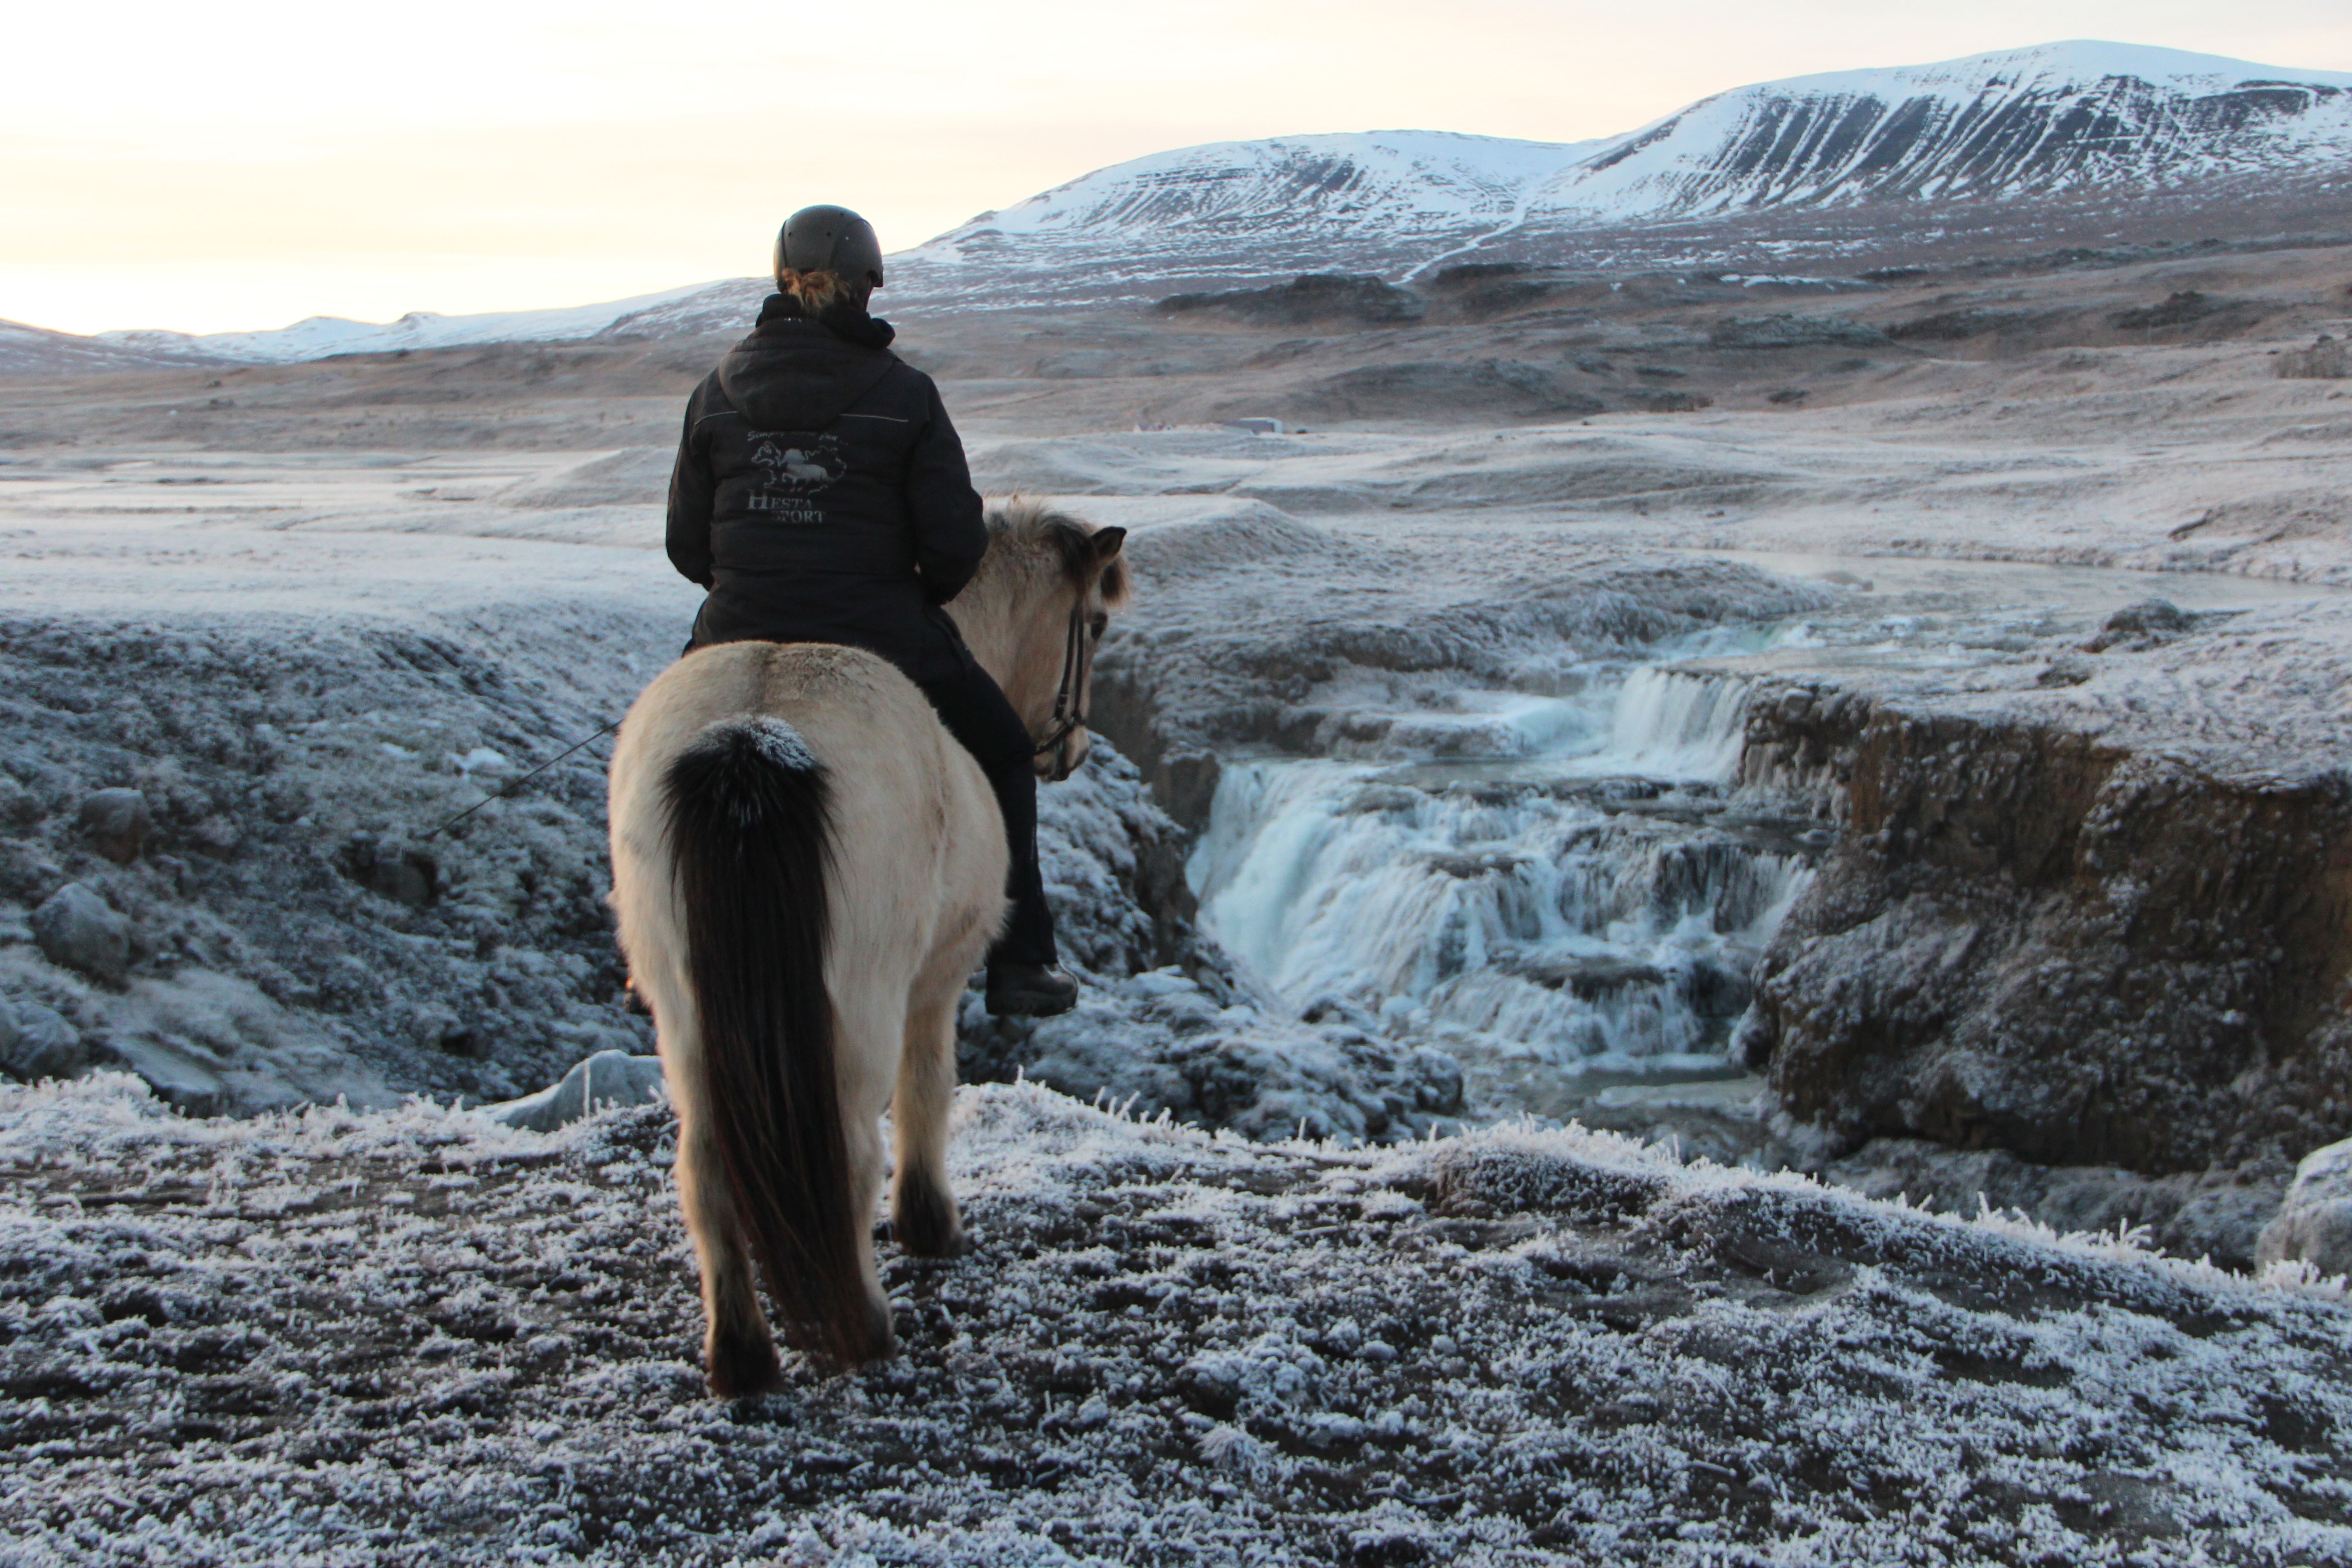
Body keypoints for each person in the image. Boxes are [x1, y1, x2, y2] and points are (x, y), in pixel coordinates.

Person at [663, 204, 1078, 1018]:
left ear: (782, 283)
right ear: (865, 289)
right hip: (881, 633)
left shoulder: (714, 391)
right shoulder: (905, 394)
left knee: (663, 751)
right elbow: (957, 548)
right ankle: (1021, 962)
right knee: (1000, 749)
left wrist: (756, 579)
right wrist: (900, 595)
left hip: (734, 629)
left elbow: (686, 548)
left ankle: (652, 952)